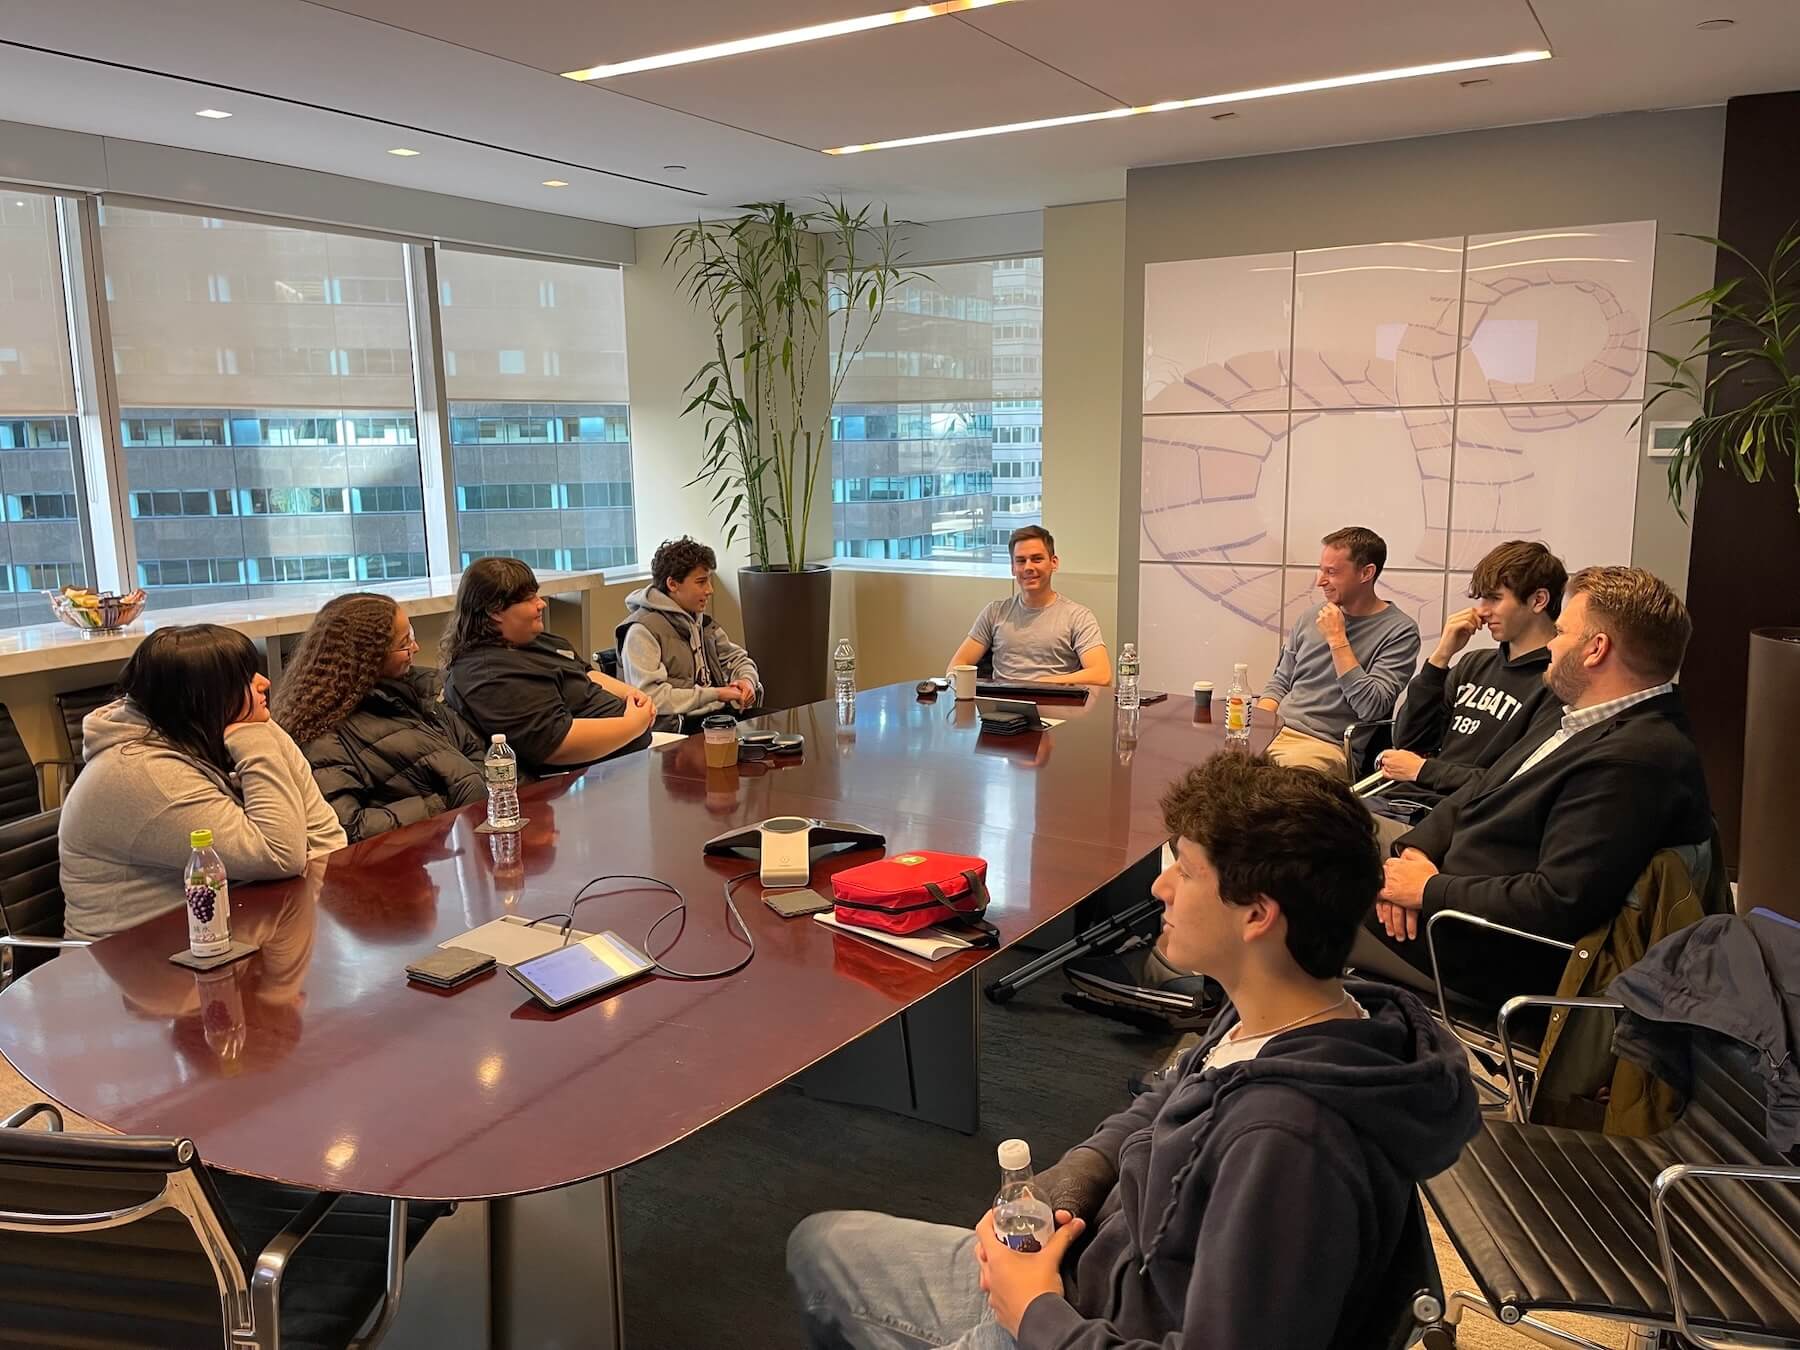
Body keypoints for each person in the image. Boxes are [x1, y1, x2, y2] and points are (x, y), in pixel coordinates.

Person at [788, 754, 1479, 1350]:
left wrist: (1035, 1313)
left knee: (831, 1270)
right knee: (820, 1247)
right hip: (1086, 1282)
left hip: (1075, 1326)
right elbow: (1169, 1098)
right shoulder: (1281, 1007)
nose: (1160, 887)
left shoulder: (1288, 1143)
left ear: (1257, 914)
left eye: (1186, 869)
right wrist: (1083, 1171)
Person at [1356, 565, 1712, 1007]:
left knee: (1294, 887)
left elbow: (1556, 902)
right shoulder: (1581, 718)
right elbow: (1482, 789)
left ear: (1596, 649)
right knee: (1312, 828)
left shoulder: (1634, 760)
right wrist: (1415, 853)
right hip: (1450, 886)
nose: (1553, 644)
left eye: (1562, 632)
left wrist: (1427, 891)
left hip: (1478, 944)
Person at [59, 624, 346, 943]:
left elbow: (324, 834)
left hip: (235, 930)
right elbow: (279, 854)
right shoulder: (142, 773)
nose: (265, 683)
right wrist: (253, 738)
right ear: (203, 696)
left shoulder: (221, 726)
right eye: (246, 678)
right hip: (135, 961)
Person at [272, 592, 487, 842]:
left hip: (459, 840)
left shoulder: (416, 692)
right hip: (404, 859)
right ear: (368, 657)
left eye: (412, 637)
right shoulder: (322, 734)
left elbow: (475, 750)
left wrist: (471, 788)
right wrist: (441, 804)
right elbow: (348, 827)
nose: (415, 648)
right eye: (404, 643)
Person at [1374, 539, 1565, 814]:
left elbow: (1514, 782)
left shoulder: (1556, 682)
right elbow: (1410, 741)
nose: (1482, 611)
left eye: (1495, 598)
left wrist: (1424, 771)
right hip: (1409, 800)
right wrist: (1440, 657)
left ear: (1538, 600)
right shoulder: (1473, 664)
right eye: (1482, 599)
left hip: (1466, 815)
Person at [441, 556, 654, 775]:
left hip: (627, 757)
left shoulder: (537, 640)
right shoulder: (487, 673)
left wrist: (632, 695)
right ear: (495, 611)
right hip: (579, 780)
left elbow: (585, 672)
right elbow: (555, 744)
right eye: (529, 599)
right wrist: (632, 725)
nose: (541, 603)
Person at [1258, 526, 1420, 775]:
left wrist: (1337, 639)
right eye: (1321, 570)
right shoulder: (1312, 615)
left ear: (1366, 573)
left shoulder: (1400, 631)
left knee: (1272, 782)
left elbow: (1372, 707)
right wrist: (1256, 728)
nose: (1320, 581)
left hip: (1325, 745)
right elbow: (1280, 682)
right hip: (1276, 731)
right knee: (1216, 768)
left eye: (1331, 572)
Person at [617, 536, 762, 731]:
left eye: (709, 580)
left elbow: (738, 659)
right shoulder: (641, 631)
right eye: (701, 582)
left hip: (719, 717)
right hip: (679, 729)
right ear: (673, 584)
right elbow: (651, 697)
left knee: (778, 728)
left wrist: (747, 681)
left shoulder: (702, 622)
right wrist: (717, 694)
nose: (710, 590)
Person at [948, 525, 1111, 687]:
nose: (1028, 567)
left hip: (1057, 706)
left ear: (1053, 563)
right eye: (1020, 561)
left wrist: (1035, 685)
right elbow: (957, 665)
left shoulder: (1078, 617)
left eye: (1037, 559)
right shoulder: (994, 613)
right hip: (1002, 707)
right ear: (1012, 568)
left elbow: (1101, 674)